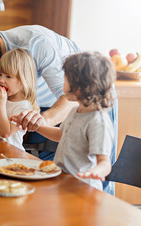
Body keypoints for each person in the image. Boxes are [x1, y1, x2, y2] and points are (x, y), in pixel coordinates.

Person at [0, 4, 118, 194]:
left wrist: (40, 119)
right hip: (43, 111)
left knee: (98, 181)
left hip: (89, 96)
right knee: (59, 178)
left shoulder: (36, 42)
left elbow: (70, 98)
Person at [13, 52, 114, 191]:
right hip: (64, 181)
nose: (62, 83)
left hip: (83, 188)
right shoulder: (75, 111)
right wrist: (36, 126)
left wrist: (95, 172)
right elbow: (61, 135)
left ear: (79, 86)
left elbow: (105, 163)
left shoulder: (98, 121)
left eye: (65, 78)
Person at [0, 48, 39, 151]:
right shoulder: (3, 98)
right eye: (0, 74)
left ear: (23, 80)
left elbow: (6, 133)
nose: (1, 80)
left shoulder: (24, 107)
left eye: (8, 76)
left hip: (12, 153)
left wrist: (0, 106)